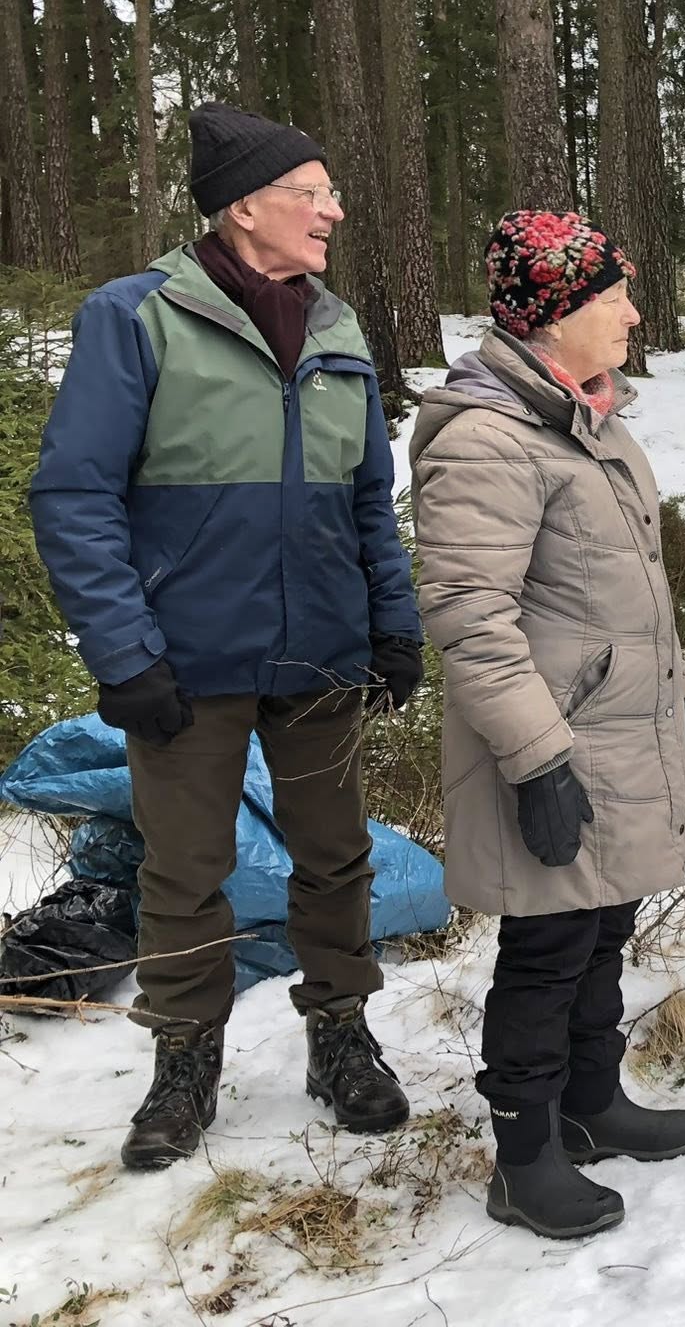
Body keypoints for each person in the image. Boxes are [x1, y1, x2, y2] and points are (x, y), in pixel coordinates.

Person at [29, 103, 423, 1170]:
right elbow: (74, 497)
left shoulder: (338, 327)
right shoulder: (138, 316)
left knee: (335, 856)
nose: (333, 212)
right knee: (185, 867)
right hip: (185, 661)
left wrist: (394, 623)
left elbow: (367, 501)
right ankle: (184, 1061)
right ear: (244, 206)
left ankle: (340, 1035)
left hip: (322, 652)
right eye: (313, 193)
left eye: (332, 194)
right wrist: (125, 654)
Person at [411, 211, 685, 1240]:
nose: (632, 314)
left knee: (605, 924)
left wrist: (675, 700)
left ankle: (590, 1100)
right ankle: (524, 1155)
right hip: (553, 742)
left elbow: (629, 597)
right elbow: (470, 618)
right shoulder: (488, 440)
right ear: (551, 315)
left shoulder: (591, 421)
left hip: (618, 732)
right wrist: (536, 762)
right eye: (612, 297)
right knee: (548, 945)